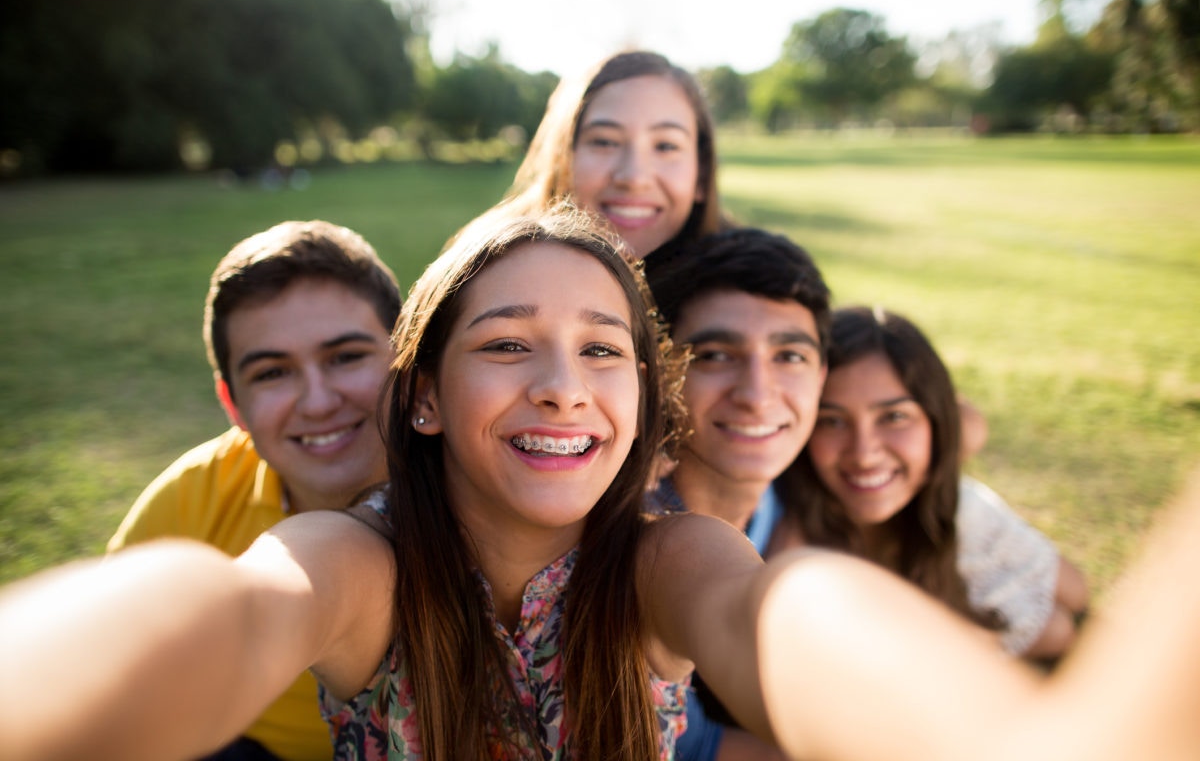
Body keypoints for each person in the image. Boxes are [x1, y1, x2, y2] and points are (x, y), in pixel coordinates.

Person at [6, 206, 1200, 761]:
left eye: (603, 348)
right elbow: (229, 610)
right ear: (420, 398)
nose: (565, 385)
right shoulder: (360, 564)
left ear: (642, 400)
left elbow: (783, 616)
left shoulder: (670, 560)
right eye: (509, 342)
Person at [107, 220, 402, 761]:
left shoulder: (485, 485)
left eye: (346, 357)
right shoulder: (195, 495)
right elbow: (102, 653)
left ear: (404, 357)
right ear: (232, 404)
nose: (317, 402)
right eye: (272, 373)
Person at [777, 305, 1090, 660]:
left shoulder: (948, 441)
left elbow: (969, 426)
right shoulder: (790, 532)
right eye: (831, 421)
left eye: (893, 416)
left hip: (936, 521)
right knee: (1056, 633)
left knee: (1076, 595)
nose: (863, 453)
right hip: (911, 621)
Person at [645, 227, 830, 761]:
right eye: (715, 356)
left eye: (789, 356)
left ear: (822, 376)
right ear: (661, 375)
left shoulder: (803, 491)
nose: (756, 395)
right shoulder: (638, 531)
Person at [505, 49, 727, 264]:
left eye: (666, 146)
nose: (634, 178)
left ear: (701, 173)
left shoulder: (748, 289)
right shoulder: (488, 275)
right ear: (562, 158)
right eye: (605, 142)